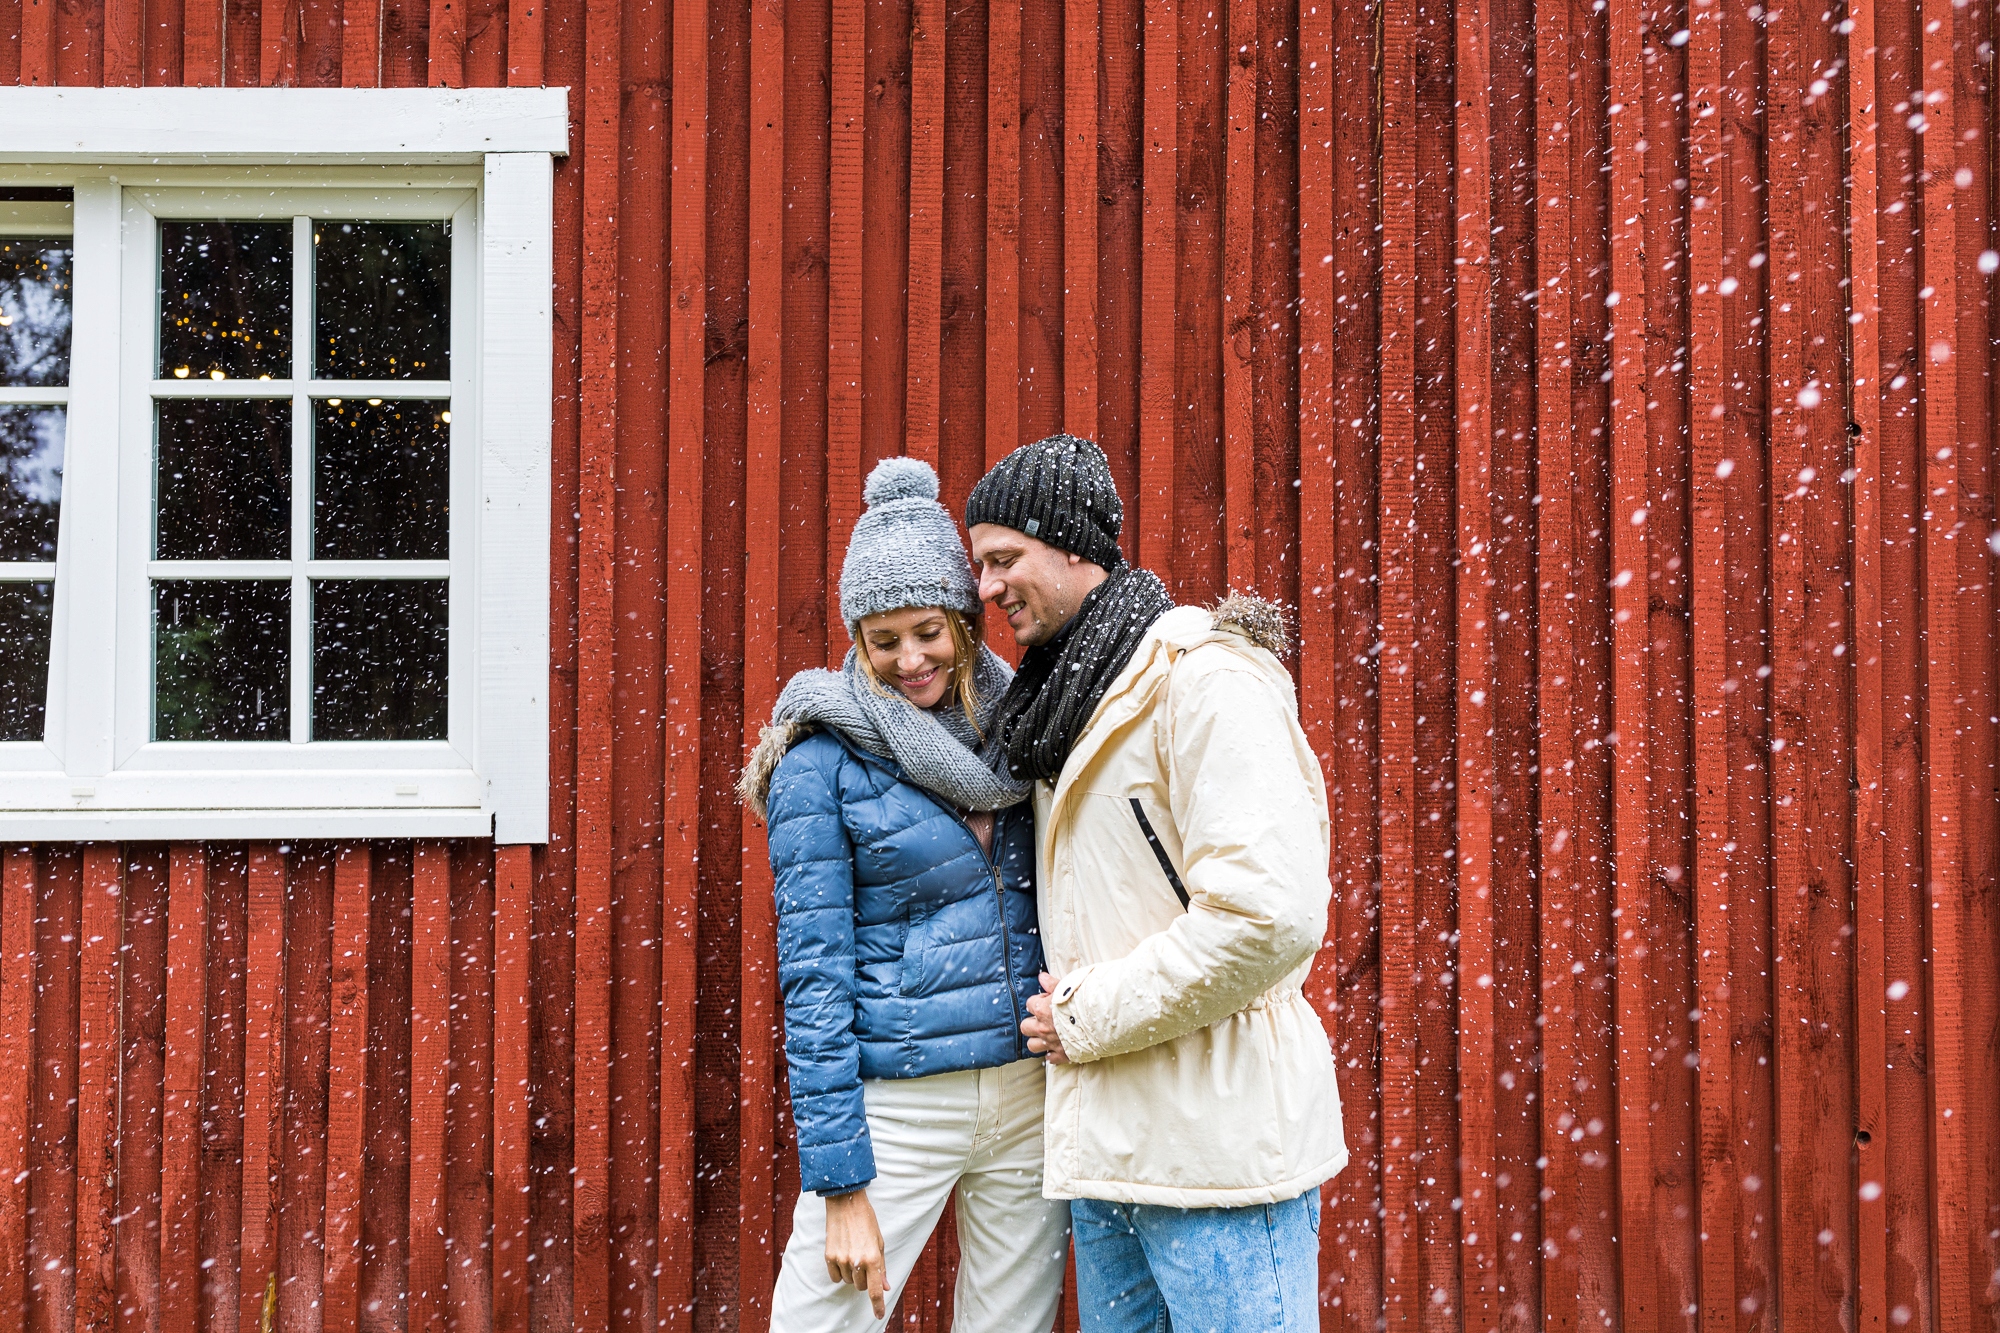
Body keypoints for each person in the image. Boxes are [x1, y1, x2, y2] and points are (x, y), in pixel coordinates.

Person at [963, 433, 1346, 1333]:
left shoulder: (1201, 680)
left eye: (1004, 559)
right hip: (1111, 1156)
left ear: (1073, 547)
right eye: (980, 565)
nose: (985, 589)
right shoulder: (1062, 704)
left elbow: (1269, 915)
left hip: (1220, 1153)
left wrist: (1085, 1015)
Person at [739, 457, 1069, 1333]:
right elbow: (814, 979)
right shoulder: (817, 760)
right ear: (857, 640)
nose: (909, 658)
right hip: (901, 1100)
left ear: (965, 619)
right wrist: (841, 1182)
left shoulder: (1027, 734)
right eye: (883, 641)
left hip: (1027, 1094)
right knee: (817, 1324)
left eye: (927, 630)